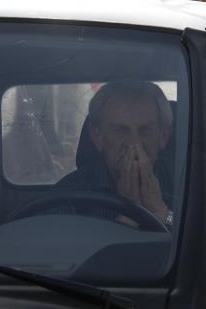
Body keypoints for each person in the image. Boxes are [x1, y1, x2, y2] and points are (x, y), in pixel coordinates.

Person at [57, 79, 175, 227]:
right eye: (120, 131)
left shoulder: (187, 184)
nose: (134, 144)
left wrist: (163, 215)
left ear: (163, 136)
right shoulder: (67, 196)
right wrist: (125, 222)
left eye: (146, 130)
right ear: (97, 137)